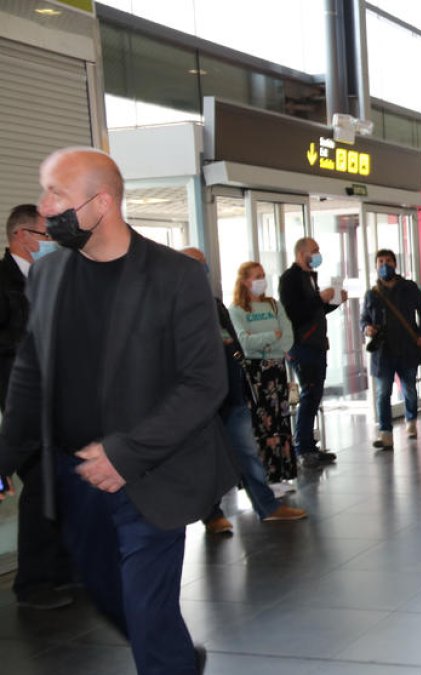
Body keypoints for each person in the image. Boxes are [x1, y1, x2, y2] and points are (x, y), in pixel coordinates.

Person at [0, 147, 238, 673]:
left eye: (57, 194)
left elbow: (204, 383)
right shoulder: (48, 275)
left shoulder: (175, 276)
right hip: (73, 475)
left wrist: (124, 454)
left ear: (101, 203)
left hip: (151, 472)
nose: (44, 208)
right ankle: (177, 658)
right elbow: (30, 375)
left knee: (147, 609)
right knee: (113, 598)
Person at [181, 250, 306, 535]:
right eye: (195, 266)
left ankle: (268, 507)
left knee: (248, 451)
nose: (202, 271)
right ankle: (212, 514)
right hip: (200, 400)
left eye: (204, 265)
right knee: (206, 458)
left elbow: (234, 343)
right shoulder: (176, 309)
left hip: (231, 392)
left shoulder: (215, 306)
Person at [1, 204, 73, 610]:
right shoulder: (4, 282)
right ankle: (32, 584)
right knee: (39, 487)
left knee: (61, 484)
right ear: (21, 236)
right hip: (23, 401)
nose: (51, 244)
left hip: (59, 400)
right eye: (45, 236)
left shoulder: (52, 278)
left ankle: (62, 569)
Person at [229, 261, 299, 484]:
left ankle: (281, 475)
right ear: (245, 281)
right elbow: (245, 343)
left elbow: (287, 337)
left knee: (280, 421)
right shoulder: (237, 310)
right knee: (261, 425)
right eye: (256, 276)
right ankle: (264, 479)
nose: (261, 280)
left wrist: (270, 343)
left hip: (277, 371)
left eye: (262, 275)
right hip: (255, 375)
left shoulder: (274, 305)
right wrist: (272, 337)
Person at [279, 237, 345, 469]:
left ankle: (309, 444)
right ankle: (303, 448)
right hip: (301, 346)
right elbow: (294, 313)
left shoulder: (310, 277)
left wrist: (334, 302)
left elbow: (315, 310)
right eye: (314, 250)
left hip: (316, 344)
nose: (317, 254)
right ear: (301, 254)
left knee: (315, 395)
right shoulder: (290, 279)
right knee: (309, 393)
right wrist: (320, 298)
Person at [361, 249, 421, 448]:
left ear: (395, 264)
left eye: (388, 261)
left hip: (407, 348)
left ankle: (411, 420)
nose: (385, 265)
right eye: (380, 262)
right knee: (383, 393)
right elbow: (363, 319)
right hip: (382, 352)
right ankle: (385, 433)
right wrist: (366, 328)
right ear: (375, 266)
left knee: (409, 388)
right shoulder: (372, 293)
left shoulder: (408, 288)